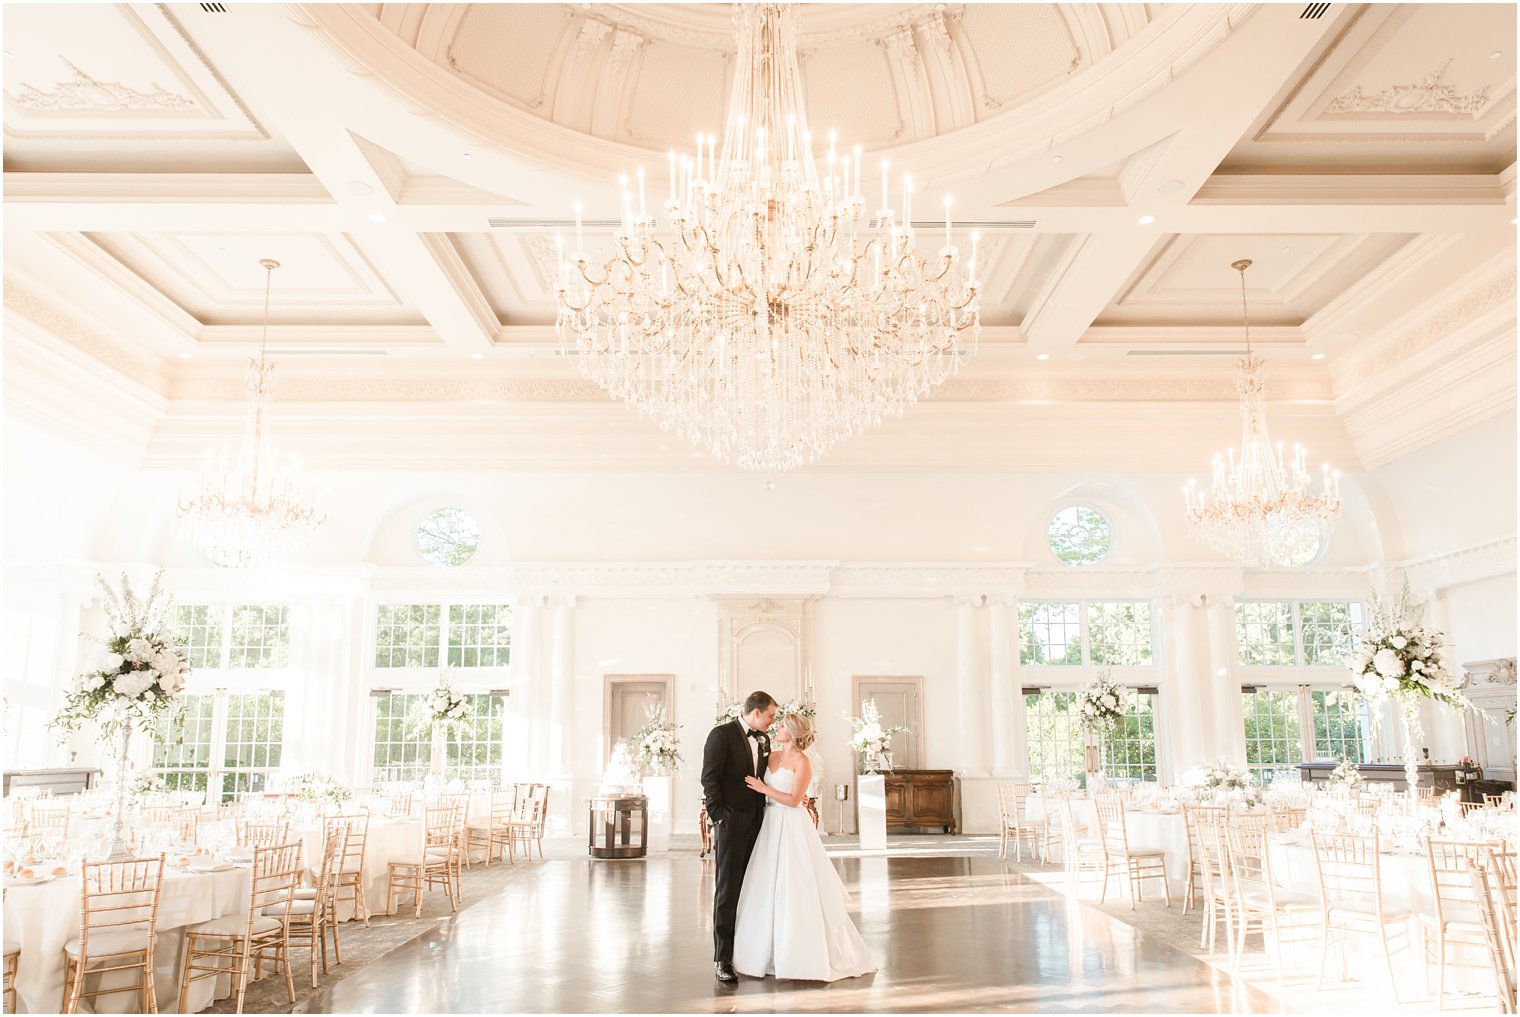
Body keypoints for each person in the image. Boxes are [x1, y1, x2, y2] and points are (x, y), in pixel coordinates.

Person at [732, 712, 875, 982]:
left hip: (790, 823)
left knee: (794, 884)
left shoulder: (803, 762)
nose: (778, 727)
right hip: (769, 824)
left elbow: (795, 800)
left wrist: (764, 789)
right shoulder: (771, 755)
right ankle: (763, 952)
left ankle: (798, 955)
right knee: (765, 884)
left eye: (783, 725)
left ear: (794, 733)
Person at [701, 690, 777, 983]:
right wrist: (719, 816)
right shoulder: (721, 735)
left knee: (754, 888)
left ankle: (749, 952)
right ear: (756, 712)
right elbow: (709, 778)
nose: (773, 721)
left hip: (760, 823)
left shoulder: (765, 739)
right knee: (728, 890)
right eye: (770, 715)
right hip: (731, 824)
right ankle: (723, 958)